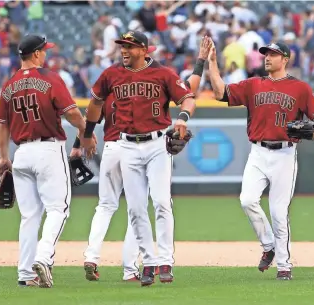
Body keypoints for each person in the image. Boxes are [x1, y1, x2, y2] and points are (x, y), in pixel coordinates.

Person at [76, 36, 213, 283]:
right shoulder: (111, 74)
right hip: (126, 144)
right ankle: (147, 262)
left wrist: (182, 117)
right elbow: (95, 103)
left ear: (143, 49)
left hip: (157, 144)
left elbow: (188, 96)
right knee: (136, 208)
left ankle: (165, 261)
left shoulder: (163, 73)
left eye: (129, 47)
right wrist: (86, 135)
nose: (124, 50)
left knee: (161, 202)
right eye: (122, 46)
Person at [207, 39, 314, 280]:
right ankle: (269, 245)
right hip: (258, 152)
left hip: (285, 153)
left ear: (285, 59)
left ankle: (284, 266)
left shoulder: (300, 88)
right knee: (246, 200)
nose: (267, 57)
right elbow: (221, 93)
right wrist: (212, 65)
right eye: (265, 53)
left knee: (278, 211)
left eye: (273, 54)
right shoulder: (253, 85)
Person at [0, 34, 93, 288]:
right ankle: (43, 257)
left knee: (29, 216)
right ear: (36, 54)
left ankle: (25, 274)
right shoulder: (49, 78)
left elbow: (2, 125)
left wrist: (4, 157)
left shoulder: (9, 85)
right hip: (48, 149)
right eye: (44, 51)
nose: (46, 54)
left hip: (21, 155)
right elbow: (71, 113)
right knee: (58, 209)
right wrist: (86, 134)